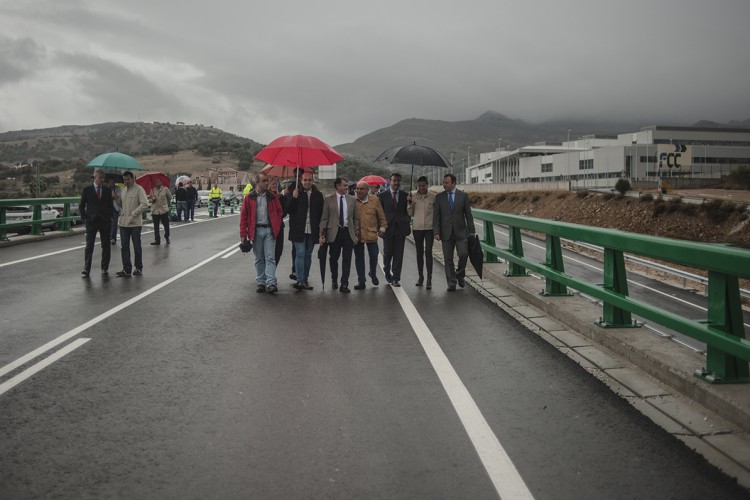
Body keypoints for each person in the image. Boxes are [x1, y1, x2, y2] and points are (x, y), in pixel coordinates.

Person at [240, 173, 284, 294]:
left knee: (270, 257)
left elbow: (280, 212)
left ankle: (270, 282)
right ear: (257, 182)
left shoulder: (272, 197)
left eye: (267, 180)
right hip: (256, 231)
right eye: (264, 181)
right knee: (259, 258)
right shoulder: (249, 198)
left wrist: (277, 224)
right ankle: (261, 282)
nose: (266, 183)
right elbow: (243, 217)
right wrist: (243, 235)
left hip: (269, 230)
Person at [433, 173, 475, 291]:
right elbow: (436, 216)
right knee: (448, 258)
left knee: (463, 254)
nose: (444, 184)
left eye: (446, 182)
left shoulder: (463, 196)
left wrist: (472, 231)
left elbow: (468, 214)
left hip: (461, 232)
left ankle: (460, 274)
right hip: (445, 232)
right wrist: (436, 231)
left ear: (453, 183)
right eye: (443, 182)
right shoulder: (439, 197)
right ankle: (451, 282)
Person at [320, 176, 360, 293]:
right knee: (333, 258)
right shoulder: (328, 200)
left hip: (348, 233)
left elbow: (356, 218)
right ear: (337, 186)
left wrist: (356, 233)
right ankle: (334, 279)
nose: (347, 187)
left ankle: (344, 284)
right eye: (345, 185)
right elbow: (324, 218)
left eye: (347, 185)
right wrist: (322, 234)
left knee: (347, 259)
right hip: (334, 233)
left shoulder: (352, 200)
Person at [287, 171, 324, 290]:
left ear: (313, 181)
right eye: (305, 180)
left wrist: (322, 232)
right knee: (300, 253)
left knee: (308, 255)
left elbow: (321, 214)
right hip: (298, 229)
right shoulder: (296, 192)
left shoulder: (318, 195)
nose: (307, 182)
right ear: (301, 180)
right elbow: (288, 210)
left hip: (312, 230)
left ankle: (305, 279)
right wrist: (293, 198)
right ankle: (299, 280)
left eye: (309, 180)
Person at [378, 172, 411, 287]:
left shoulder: (405, 195)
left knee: (398, 255)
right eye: (394, 180)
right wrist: (380, 228)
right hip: (387, 229)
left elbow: (409, 212)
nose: (396, 183)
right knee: (387, 254)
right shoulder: (382, 195)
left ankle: (396, 278)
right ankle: (387, 272)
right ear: (390, 181)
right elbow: (379, 213)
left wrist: (409, 205)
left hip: (400, 230)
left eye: (398, 181)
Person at [353, 181, 387, 290]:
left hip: (371, 234)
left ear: (368, 190)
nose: (359, 191)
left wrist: (382, 229)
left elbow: (382, 217)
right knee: (359, 258)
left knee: (374, 255)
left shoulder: (375, 200)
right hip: (357, 235)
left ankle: (372, 273)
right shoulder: (353, 201)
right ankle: (361, 281)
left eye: (361, 189)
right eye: (357, 188)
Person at [79, 169, 113, 277]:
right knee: (89, 246)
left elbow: (110, 206)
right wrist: (84, 219)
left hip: (104, 221)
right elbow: (81, 205)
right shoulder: (87, 190)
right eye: (100, 178)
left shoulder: (107, 190)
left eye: (103, 178)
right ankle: (86, 269)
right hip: (91, 221)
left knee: (106, 245)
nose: (102, 180)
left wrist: (110, 218)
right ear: (95, 177)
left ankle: (105, 267)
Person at [116, 171, 149, 277]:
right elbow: (122, 205)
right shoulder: (123, 190)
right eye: (124, 179)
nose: (126, 181)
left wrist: (134, 213)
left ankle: (138, 268)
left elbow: (145, 204)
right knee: (124, 247)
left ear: (133, 179)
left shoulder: (139, 189)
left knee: (136, 246)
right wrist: (116, 198)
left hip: (134, 223)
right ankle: (127, 269)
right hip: (124, 223)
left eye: (128, 179)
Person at [408, 175, 436, 289]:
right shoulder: (412, 197)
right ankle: (421, 277)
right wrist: (409, 204)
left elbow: (437, 213)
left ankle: (429, 278)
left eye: (423, 185)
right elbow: (410, 214)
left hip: (429, 228)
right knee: (419, 253)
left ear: (427, 185)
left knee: (428, 252)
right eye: (419, 186)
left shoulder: (433, 197)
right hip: (417, 228)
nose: (421, 187)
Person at [269, 177, 286, 266]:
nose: (275, 186)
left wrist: (287, 197)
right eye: (273, 184)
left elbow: (284, 213)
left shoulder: (280, 197)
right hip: (268, 227)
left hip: (279, 226)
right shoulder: (266, 196)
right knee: (268, 252)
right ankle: (268, 273)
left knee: (278, 251)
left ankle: (272, 270)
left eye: (276, 184)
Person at [148, 177, 171, 245]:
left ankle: (167, 237)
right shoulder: (152, 190)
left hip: (163, 210)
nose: (157, 183)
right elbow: (150, 200)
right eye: (155, 182)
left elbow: (170, 197)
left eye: (158, 181)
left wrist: (165, 202)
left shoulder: (165, 189)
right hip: (155, 211)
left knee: (166, 226)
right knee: (156, 227)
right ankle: (157, 240)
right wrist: (152, 199)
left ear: (161, 182)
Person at [107, 175, 122, 246]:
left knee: (114, 223)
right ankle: (108, 237)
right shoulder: (105, 189)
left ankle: (113, 238)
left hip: (115, 207)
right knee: (107, 223)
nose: (112, 183)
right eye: (110, 181)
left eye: (113, 181)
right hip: (107, 208)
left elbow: (120, 198)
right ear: (108, 182)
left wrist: (115, 196)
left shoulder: (118, 189)